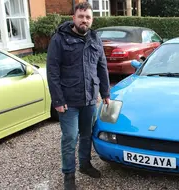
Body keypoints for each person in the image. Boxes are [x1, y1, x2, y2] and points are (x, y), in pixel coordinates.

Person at [46, 2, 111, 190]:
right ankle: (68, 175)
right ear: (73, 18)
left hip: (90, 97)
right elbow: (52, 71)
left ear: (92, 19)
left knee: (86, 134)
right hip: (68, 101)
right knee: (70, 137)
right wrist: (57, 100)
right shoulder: (60, 39)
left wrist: (105, 92)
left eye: (88, 17)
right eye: (81, 16)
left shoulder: (95, 38)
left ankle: (85, 164)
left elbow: (102, 67)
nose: (85, 20)